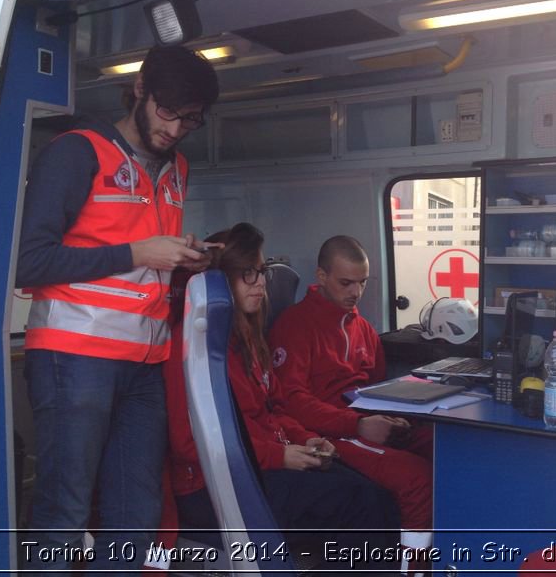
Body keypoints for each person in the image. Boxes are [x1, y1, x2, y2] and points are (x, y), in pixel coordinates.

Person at [16, 45, 219, 572]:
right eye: (167, 111)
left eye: (190, 119)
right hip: (74, 356)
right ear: (140, 92)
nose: (175, 128)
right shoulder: (76, 152)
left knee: (137, 512)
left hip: (145, 362)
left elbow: (141, 266)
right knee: (66, 509)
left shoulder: (178, 168)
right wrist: (139, 252)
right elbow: (26, 263)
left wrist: (182, 262)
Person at [163, 223, 400, 571]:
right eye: (248, 275)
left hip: (261, 464)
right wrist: (280, 456)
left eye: (260, 273)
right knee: (357, 503)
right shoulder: (190, 349)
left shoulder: (248, 341)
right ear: (219, 281)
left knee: (378, 495)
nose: (260, 284)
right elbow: (190, 444)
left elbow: (275, 409)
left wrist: (307, 439)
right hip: (209, 487)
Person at [268, 235, 434, 574]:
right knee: (417, 478)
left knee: (445, 447)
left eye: (362, 283)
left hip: (367, 421)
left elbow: (376, 387)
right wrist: (357, 425)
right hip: (330, 432)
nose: (355, 292)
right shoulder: (295, 326)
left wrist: (392, 417)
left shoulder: (365, 330)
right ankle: (414, 568)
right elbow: (291, 401)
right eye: (346, 283)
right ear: (321, 276)